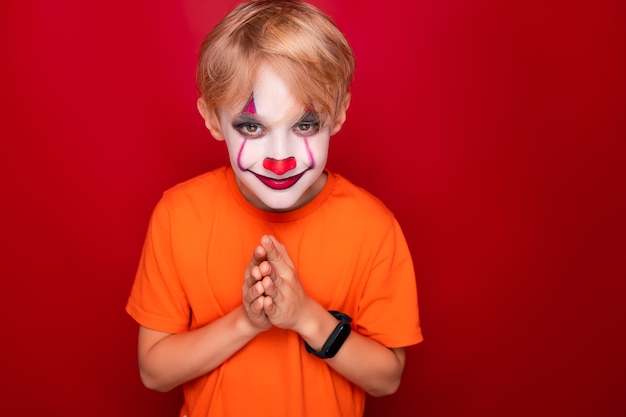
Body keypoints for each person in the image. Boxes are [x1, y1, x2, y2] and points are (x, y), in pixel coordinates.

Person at [126, 1, 422, 416]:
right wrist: (248, 321)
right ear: (212, 119)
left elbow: (387, 379)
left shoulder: (373, 227)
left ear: (338, 114)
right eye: (252, 126)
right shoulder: (179, 214)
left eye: (305, 124)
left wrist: (305, 316)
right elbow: (154, 372)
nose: (279, 158)